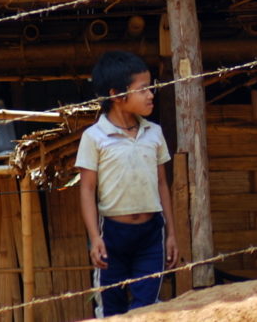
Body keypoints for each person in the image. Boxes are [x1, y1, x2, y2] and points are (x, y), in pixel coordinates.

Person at [76, 51, 178, 317]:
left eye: (151, 88)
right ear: (118, 95)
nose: (151, 95)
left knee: (145, 309)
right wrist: (95, 238)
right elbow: (86, 189)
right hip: (112, 236)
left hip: (151, 235)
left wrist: (171, 234)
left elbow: (162, 184)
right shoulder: (95, 137)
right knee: (112, 309)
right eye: (143, 89)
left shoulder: (153, 132)